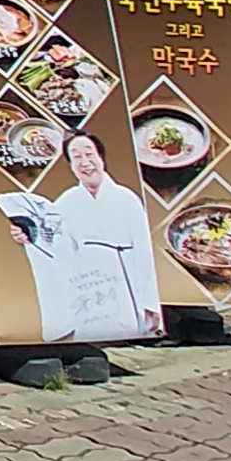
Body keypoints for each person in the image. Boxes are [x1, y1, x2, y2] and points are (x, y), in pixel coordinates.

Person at [48, 128, 162, 343]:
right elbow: (53, 248)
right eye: (77, 157)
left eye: (89, 154)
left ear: (101, 158)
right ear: (70, 165)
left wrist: (150, 303)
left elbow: (145, 252)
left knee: (131, 333)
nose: (85, 162)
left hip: (128, 275)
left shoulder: (126, 198)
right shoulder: (65, 203)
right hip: (89, 283)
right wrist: (25, 234)